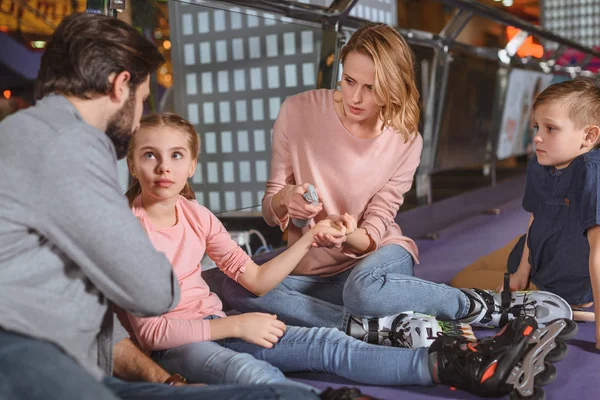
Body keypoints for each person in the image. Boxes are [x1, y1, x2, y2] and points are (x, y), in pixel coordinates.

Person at [118, 112, 572, 399]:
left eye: (176, 156)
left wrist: (309, 236)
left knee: (326, 344)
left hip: (225, 327)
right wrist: (236, 324)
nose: (163, 168)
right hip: (182, 347)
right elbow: (153, 332)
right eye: (150, 156)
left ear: (191, 165)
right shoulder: (123, 227)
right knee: (247, 373)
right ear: (133, 163)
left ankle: (465, 366)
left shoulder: (197, 216)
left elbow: (254, 279)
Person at [0, 12, 322, 400]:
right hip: (28, 357)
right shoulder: (73, 144)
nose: (136, 121)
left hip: (79, 357)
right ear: (121, 86)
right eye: (140, 100)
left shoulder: (19, 132)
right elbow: (154, 292)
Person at [221, 23, 567, 336]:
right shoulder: (297, 111)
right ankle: (369, 324)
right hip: (310, 268)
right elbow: (271, 208)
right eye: (349, 80)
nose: (355, 97)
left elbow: (375, 229)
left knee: (362, 290)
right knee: (224, 282)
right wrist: (284, 200)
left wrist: (342, 234)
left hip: (376, 258)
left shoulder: (405, 139)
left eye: (371, 88)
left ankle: (478, 306)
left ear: (394, 87)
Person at [450, 77, 600, 349]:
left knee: (461, 281)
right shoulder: (541, 164)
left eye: (551, 129)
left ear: (589, 136)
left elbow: (598, 252)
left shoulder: (591, 172)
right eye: (537, 127)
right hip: (541, 252)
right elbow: (537, 217)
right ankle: (546, 294)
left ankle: (563, 306)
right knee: (503, 256)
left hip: (568, 283)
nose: (537, 137)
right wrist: (521, 271)